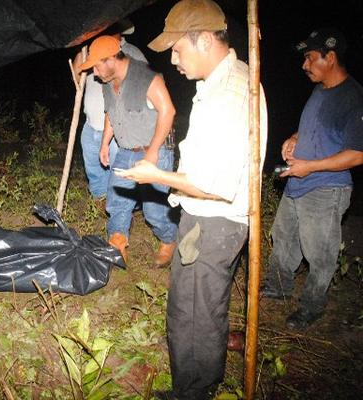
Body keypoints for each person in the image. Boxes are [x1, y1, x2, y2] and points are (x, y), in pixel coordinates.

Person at [118, 0, 267, 398]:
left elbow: (216, 184)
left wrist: (157, 176)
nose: (174, 60)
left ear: (202, 39)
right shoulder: (217, 85)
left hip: (216, 221)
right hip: (201, 217)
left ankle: (196, 392)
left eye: (177, 49)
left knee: (200, 314)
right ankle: (193, 386)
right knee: (189, 308)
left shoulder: (231, 92)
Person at [261, 28, 363, 330]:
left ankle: (313, 306)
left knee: (320, 252)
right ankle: (279, 286)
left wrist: (312, 166)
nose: (305, 65)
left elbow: (357, 154)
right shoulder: (320, 90)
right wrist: (293, 139)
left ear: (330, 58)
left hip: (326, 188)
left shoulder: (353, 98)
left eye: (310, 57)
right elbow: (312, 129)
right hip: (298, 181)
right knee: (284, 238)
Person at [78, 35, 177, 267]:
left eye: (96, 66)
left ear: (111, 59)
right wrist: (104, 143)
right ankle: (118, 240)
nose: (94, 73)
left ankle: (169, 239)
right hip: (125, 149)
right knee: (117, 199)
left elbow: (168, 111)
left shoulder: (146, 76)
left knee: (154, 210)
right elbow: (110, 114)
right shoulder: (107, 83)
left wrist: (152, 152)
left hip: (156, 150)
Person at [72, 21, 147, 200]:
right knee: (95, 175)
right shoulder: (91, 51)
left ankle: (121, 213)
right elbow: (76, 80)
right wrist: (81, 55)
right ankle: (99, 204)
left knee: (120, 178)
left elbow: (145, 88)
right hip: (91, 126)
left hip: (119, 130)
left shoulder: (131, 53)